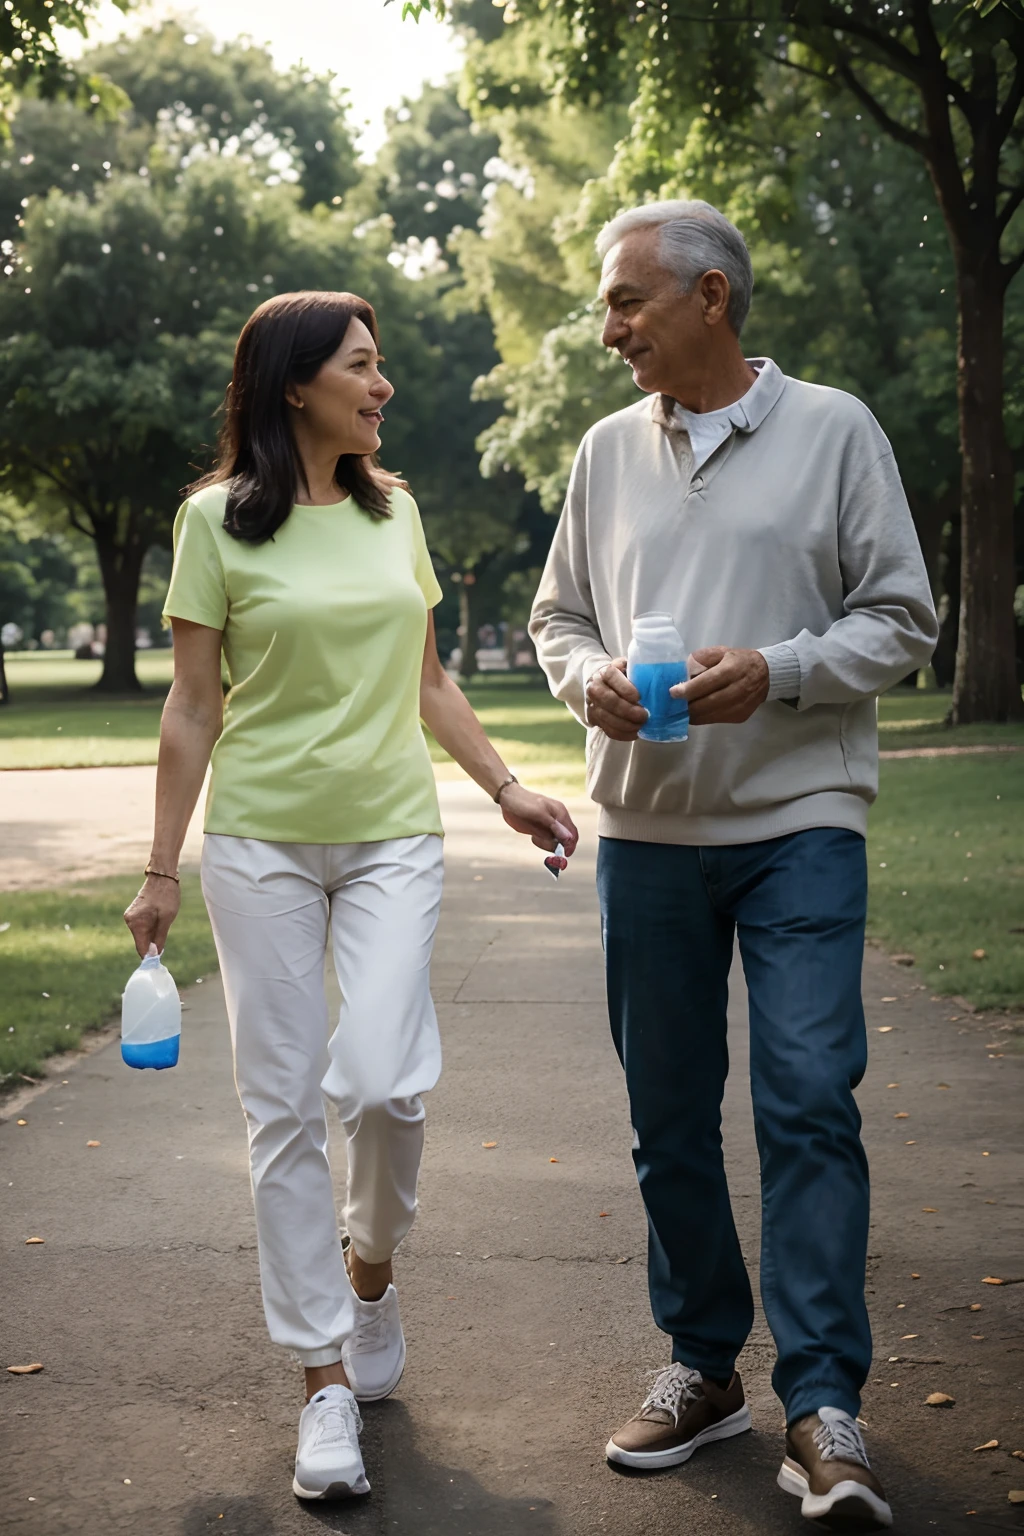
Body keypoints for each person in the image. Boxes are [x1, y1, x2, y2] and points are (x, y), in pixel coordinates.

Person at [124, 290, 577, 1504]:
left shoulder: (398, 513)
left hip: (391, 837)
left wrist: (506, 787)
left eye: (378, 370)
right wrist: (163, 866)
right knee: (281, 1108)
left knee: (383, 1080)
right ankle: (322, 1384)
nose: (382, 388)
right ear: (294, 386)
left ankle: (368, 1279)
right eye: (362, 369)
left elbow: (425, 679)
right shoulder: (214, 521)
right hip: (262, 839)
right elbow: (193, 706)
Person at [530, 201, 937, 1532]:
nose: (611, 331)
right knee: (666, 1120)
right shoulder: (602, 451)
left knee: (812, 1093)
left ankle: (824, 1403)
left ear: (712, 296)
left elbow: (901, 618)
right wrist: (589, 678)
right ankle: (706, 1366)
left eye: (629, 302)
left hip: (802, 820)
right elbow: (559, 614)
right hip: (647, 835)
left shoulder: (836, 430)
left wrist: (783, 671)